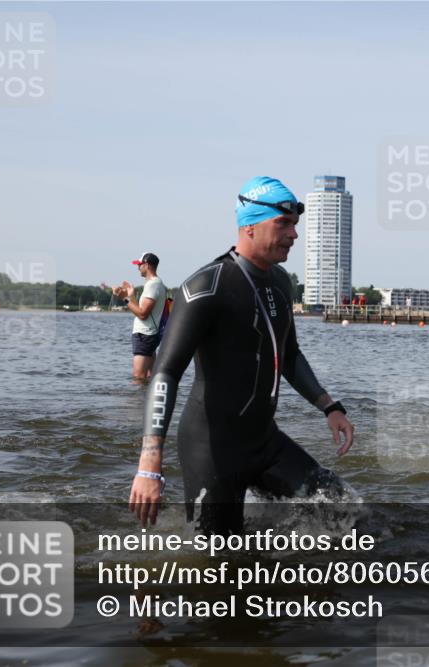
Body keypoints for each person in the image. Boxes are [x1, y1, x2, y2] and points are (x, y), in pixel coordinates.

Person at [128, 176, 355, 534]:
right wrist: (149, 462)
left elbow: (289, 354)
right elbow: (166, 373)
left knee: (346, 513)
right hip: (211, 451)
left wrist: (329, 406)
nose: (294, 234)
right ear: (249, 226)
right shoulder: (205, 287)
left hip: (265, 442)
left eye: (295, 224)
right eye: (283, 224)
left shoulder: (282, 282)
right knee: (218, 564)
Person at [113, 252, 167, 381]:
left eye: (140, 265)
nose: (138, 268)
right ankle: (147, 400)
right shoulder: (155, 284)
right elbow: (141, 309)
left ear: (147, 265)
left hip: (145, 335)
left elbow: (142, 314)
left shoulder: (153, 285)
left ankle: (137, 401)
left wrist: (124, 299)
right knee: (149, 377)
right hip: (148, 335)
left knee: (138, 377)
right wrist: (131, 295)